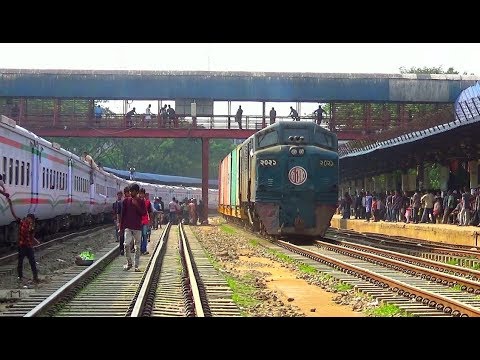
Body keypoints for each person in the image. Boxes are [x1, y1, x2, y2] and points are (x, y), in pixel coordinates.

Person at [119, 183, 146, 272]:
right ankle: (129, 263)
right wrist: (121, 227)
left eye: (133, 191)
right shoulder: (126, 201)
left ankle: (136, 265)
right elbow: (123, 215)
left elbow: (143, 213)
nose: (131, 193)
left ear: (137, 192)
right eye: (130, 191)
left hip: (137, 227)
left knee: (137, 247)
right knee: (126, 244)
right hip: (128, 227)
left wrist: (136, 205)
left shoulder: (141, 201)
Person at [17, 214, 41, 284]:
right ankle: (20, 276)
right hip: (22, 246)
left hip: (29, 247)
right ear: (28, 218)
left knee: (32, 262)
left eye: (32, 220)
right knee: (20, 262)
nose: (31, 221)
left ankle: (35, 277)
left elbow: (31, 236)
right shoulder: (22, 223)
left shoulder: (31, 226)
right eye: (30, 219)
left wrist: (36, 241)